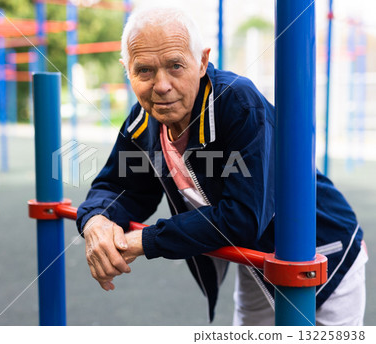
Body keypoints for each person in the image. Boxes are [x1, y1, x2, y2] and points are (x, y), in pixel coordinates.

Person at [76, 7, 367, 325]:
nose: (161, 85)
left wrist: (144, 241)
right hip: (258, 258)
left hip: (322, 251)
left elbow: (241, 217)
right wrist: (97, 221)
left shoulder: (237, 104)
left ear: (202, 61)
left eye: (175, 66)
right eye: (144, 70)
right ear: (127, 70)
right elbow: (120, 187)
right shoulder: (144, 120)